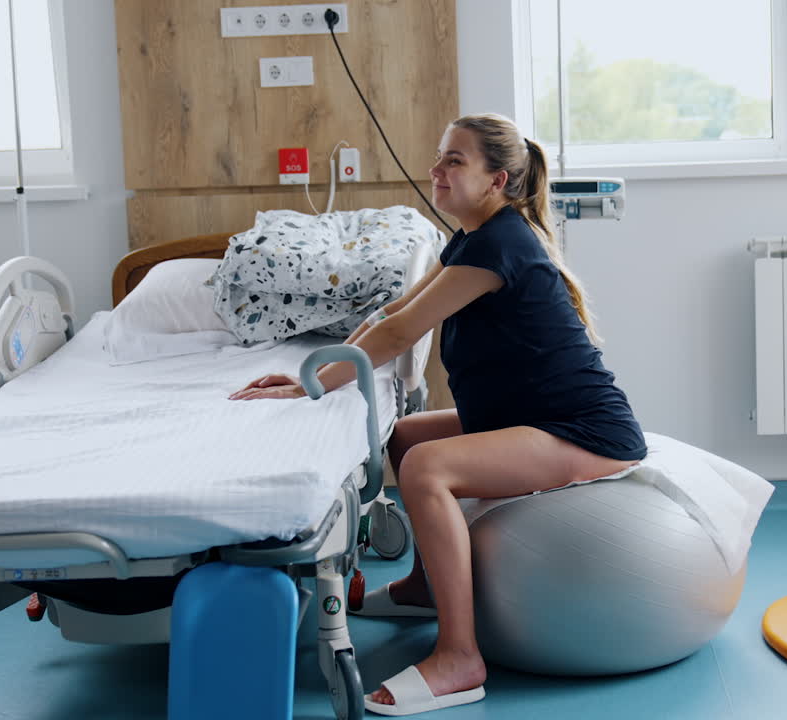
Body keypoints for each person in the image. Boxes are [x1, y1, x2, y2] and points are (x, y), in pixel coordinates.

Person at [230, 113, 646, 716]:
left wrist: (308, 388)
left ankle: (459, 656)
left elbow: (400, 333)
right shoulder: (473, 238)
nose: (436, 170)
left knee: (426, 468)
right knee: (404, 438)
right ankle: (425, 587)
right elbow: (392, 312)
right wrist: (313, 374)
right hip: (526, 415)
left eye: (455, 160)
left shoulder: (500, 244)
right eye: (439, 156)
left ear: (497, 180)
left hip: (582, 431)